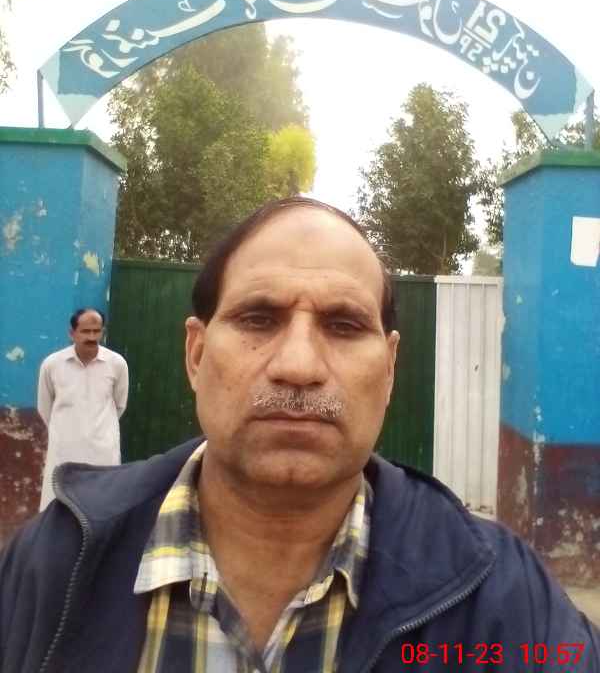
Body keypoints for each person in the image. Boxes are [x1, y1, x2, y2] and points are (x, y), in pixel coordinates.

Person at [1, 197, 598, 673]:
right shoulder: (54, 565)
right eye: (258, 318)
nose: (298, 365)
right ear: (196, 354)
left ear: (390, 370)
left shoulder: (501, 600)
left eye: (344, 325)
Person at [36, 307, 129, 510]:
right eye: (86, 331)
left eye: (96, 331)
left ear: (103, 332)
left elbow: (119, 404)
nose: (92, 337)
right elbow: (45, 407)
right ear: (72, 333)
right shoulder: (52, 365)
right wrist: (65, 431)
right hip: (64, 450)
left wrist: (98, 429)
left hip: (103, 451)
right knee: (58, 504)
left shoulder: (117, 364)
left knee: (102, 505)